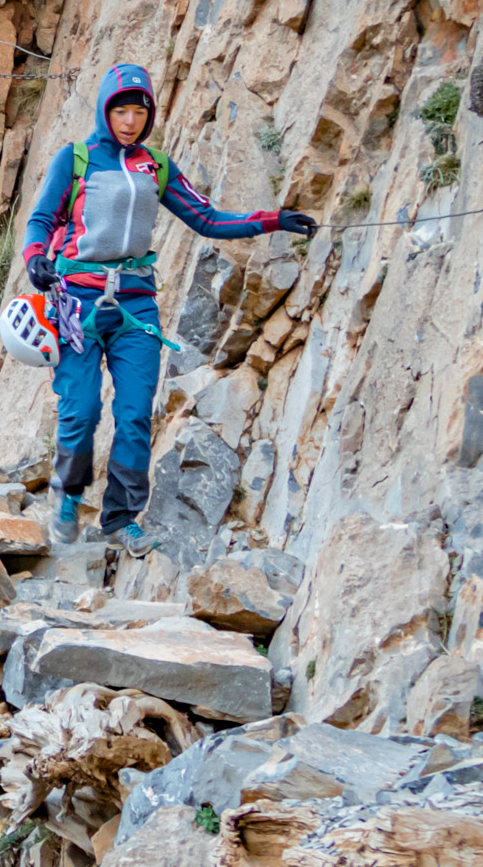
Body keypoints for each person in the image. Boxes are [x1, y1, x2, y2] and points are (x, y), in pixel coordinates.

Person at [21, 64, 315, 552]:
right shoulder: (74, 160)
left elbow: (207, 218)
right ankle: (69, 494)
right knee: (82, 409)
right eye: (121, 110)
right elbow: (40, 220)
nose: (130, 121)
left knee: (135, 413)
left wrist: (273, 220)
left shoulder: (156, 166)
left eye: (139, 111)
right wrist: (35, 259)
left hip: (136, 305)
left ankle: (119, 518)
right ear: (104, 110)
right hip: (76, 303)